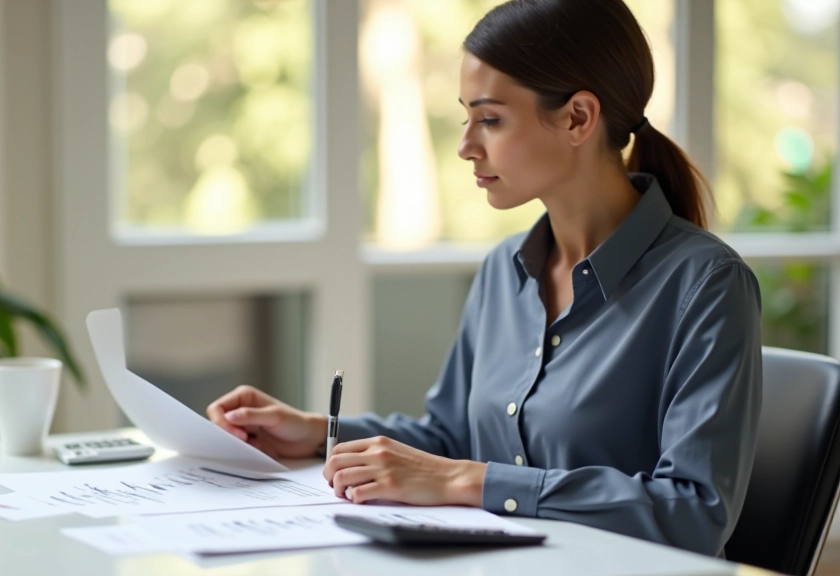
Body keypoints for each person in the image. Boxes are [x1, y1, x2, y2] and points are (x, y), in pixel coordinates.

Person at [207, 0, 761, 558]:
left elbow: (694, 510)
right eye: (466, 117)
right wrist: (316, 431)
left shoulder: (706, 285)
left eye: (491, 119)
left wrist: (465, 481)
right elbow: (450, 439)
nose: (466, 145)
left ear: (578, 118)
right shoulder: (506, 270)